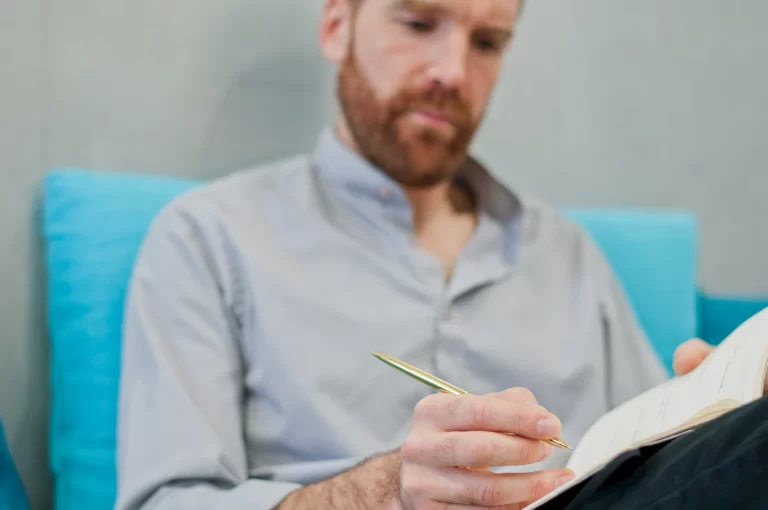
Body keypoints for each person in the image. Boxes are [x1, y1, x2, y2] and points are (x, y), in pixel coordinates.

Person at [113, 0, 739, 509]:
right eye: (418, 23)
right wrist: (383, 494)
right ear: (338, 27)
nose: (454, 73)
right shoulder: (210, 237)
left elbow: (651, 458)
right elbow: (165, 503)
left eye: (488, 43)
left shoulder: (568, 254)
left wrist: (712, 414)